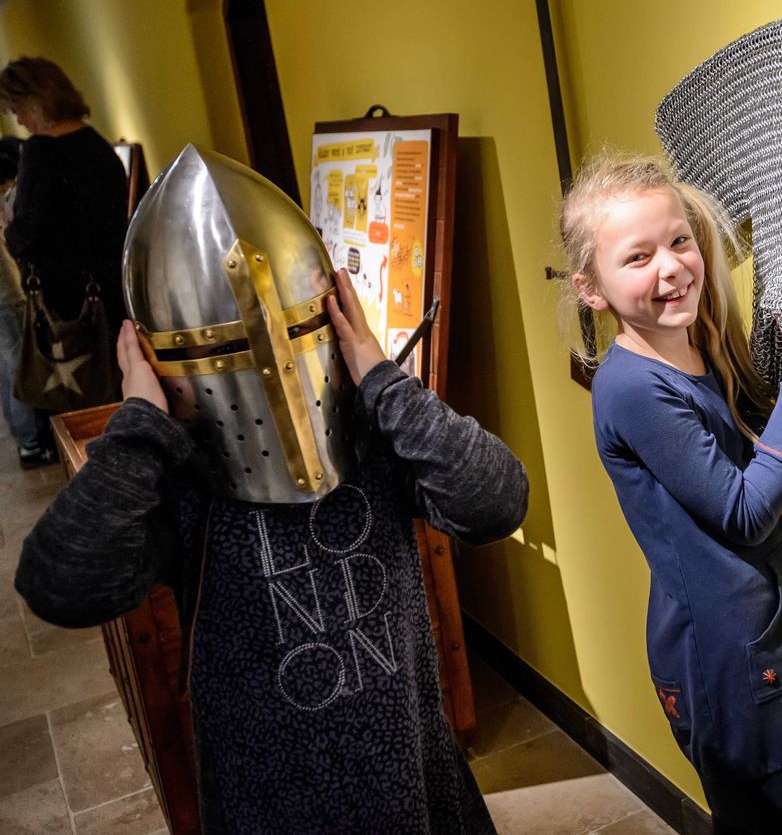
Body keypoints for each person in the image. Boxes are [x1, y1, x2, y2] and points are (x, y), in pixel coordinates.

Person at [16, 146, 528, 833]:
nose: (274, 376)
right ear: (155, 358)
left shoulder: (374, 445)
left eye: (300, 330)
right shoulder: (179, 484)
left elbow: (497, 502)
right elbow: (61, 581)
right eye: (213, 350)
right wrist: (138, 427)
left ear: (334, 316)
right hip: (271, 809)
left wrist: (383, 380)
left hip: (418, 781)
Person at [560, 155, 782, 834]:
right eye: (638, 257)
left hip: (761, 636)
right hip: (728, 658)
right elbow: (744, 511)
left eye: (680, 241)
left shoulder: (695, 347)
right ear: (591, 289)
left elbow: (765, 460)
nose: (671, 267)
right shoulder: (632, 387)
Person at [0, 56, 128, 331]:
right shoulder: (98, 146)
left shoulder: (41, 151)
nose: (20, 121)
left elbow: (28, 233)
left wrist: (8, 231)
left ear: (34, 103)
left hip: (68, 299)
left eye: (18, 109)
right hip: (114, 285)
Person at [0, 134, 54, 466]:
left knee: (7, 369)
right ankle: (32, 443)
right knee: (19, 365)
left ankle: (26, 440)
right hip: (5, 293)